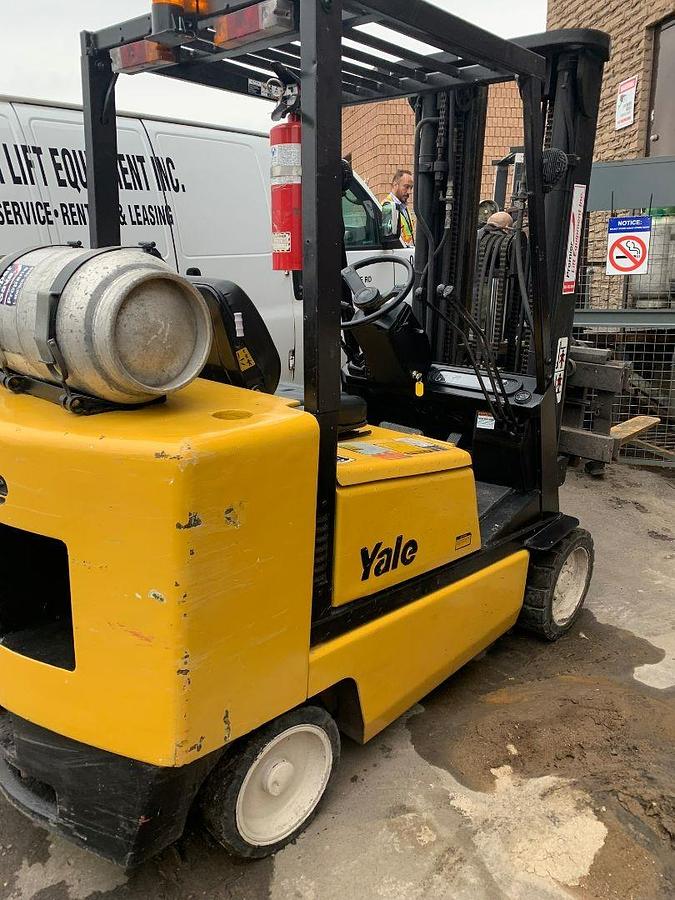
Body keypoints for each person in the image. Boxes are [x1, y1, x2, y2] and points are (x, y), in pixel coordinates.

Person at [382, 169, 415, 247]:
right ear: (395, 185)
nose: (409, 192)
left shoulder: (404, 208)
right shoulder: (386, 207)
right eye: (406, 187)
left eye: (411, 188)